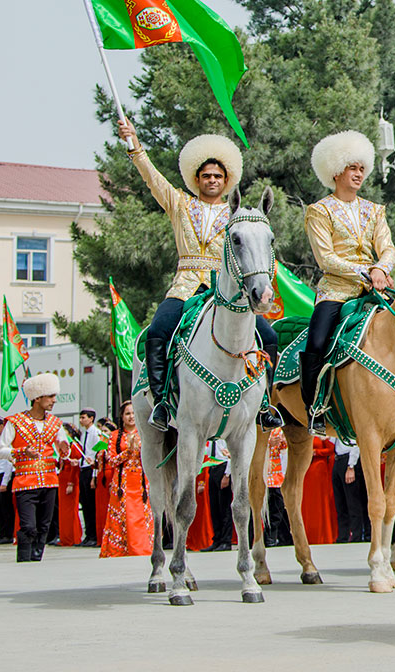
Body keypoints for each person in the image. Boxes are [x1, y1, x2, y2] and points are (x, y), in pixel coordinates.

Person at [116, 117, 281, 431]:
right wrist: (135, 146)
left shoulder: (236, 215)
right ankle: (163, 402)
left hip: (226, 290)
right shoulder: (179, 204)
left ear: (226, 180)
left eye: (218, 176)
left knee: (269, 336)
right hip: (186, 285)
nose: (212, 180)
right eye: (206, 175)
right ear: (197, 179)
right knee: (158, 331)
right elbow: (153, 180)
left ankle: (263, 404)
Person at [300, 131, 395, 433]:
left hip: (377, 292)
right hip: (336, 292)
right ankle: (314, 407)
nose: (358, 174)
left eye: (361, 169)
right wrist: (367, 271)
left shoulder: (375, 210)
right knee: (316, 342)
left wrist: (381, 267)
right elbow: (325, 259)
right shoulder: (319, 211)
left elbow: (389, 248)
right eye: (352, 168)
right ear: (335, 171)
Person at [0, 373, 70, 562]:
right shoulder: (15, 422)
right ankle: (24, 560)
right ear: (37, 398)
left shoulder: (55, 423)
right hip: (24, 482)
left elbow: (62, 448)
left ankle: (36, 560)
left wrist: (63, 450)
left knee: (45, 525)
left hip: (49, 480)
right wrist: (21, 452)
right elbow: (0, 450)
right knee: (28, 526)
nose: (54, 400)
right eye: (50, 396)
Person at [99, 404, 155, 557]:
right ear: (122, 417)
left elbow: (152, 457)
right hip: (122, 483)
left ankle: (142, 548)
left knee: (141, 515)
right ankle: (121, 549)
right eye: (127, 413)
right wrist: (128, 452)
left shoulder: (145, 433)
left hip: (141, 482)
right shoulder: (114, 436)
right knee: (124, 515)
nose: (131, 417)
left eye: (133, 413)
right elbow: (110, 461)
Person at [200, 438, 233, 552]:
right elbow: (208, 451)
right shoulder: (211, 438)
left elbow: (230, 456)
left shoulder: (225, 436)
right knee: (214, 507)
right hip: (212, 467)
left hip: (223, 467)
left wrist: (227, 475)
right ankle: (217, 539)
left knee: (224, 506)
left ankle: (226, 541)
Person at [262, 428, 293, 548]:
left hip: (277, 475)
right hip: (265, 474)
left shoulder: (278, 431)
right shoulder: (260, 432)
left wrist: (283, 442)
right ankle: (269, 537)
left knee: (278, 509)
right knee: (269, 511)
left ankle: (280, 537)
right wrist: (268, 443)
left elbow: (285, 451)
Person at [75, 409, 101, 547]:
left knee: (91, 505)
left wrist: (94, 476)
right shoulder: (84, 434)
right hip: (83, 467)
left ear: (91, 419)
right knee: (85, 503)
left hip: (91, 469)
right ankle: (88, 535)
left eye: (83, 417)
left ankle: (93, 535)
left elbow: (97, 453)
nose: (81, 420)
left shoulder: (95, 433)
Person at [56, 424, 83, 547]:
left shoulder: (75, 447)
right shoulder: (63, 450)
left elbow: (75, 467)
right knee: (63, 511)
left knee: (70, 510)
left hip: (69, 481)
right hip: (62, 479)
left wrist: (71, 483)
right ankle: (65, 537)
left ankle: (73, 537)